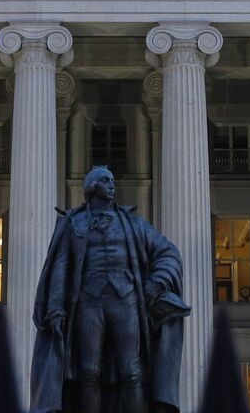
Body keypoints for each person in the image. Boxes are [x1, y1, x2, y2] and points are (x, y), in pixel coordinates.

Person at [31, 166, 188, 413]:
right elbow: (60, 267)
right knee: (89, 372)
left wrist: (158, 281)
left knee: (132, 371)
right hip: (87, 303)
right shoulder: (73, 224)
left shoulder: (134, 224)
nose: (113, 185)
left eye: (113, 180)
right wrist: (55, 307)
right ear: (92, 187)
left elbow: (168, 252)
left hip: (126, 300)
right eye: (106, 181)